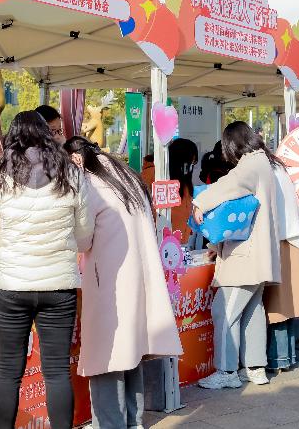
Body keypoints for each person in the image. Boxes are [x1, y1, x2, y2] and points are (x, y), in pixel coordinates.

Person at [0, 111, 93, 429]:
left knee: (7, 371)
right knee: (56, 372)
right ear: (46, 135)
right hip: (58, 285)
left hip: (12, 285)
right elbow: (85, 234)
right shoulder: (71, 174)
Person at [64, 136, 182, 429]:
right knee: (130, 350)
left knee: (107, 354)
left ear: (75, 159)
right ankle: (133, 420)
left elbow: (83, 239)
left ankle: (110, 422)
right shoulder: (126, 175)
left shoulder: (91, 182)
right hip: (136, 276)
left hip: (109, 278)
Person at [192, 121, 281, 389]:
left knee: (225, 311)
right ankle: (255, 368)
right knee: (252, 312)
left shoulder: (250, 164)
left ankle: (227, 371)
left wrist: (200, 203)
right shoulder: (264, 163)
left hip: (244, 256)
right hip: (258, 255)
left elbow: (228, 184)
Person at [263, 164, 299, 371]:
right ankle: (288, 356)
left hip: (280, 239)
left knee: (278, 306)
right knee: (286, 304)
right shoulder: (278, 170)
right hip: (290, 238)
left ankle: (280, 358)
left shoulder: (267, 169)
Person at [141, 138, 198, 244]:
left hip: (178, 242)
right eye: (189, 162)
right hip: (157, 240)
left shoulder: (183, 180)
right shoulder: (154, 174)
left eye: (193, 163)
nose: (190, 167)